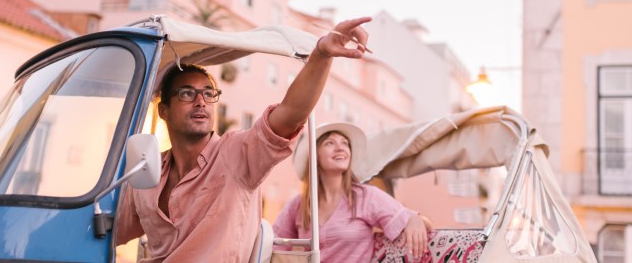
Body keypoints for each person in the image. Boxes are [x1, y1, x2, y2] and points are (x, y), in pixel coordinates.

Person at [115, 17, 373, 262]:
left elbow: (290, 115)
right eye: (186, 93)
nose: (201, 101)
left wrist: (322, 55)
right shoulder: (146, 174)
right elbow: (108, 231)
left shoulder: (236, 153)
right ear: (164, 110)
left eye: (208, 93)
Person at [273, 122, 434, 262]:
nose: (340, 148)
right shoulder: (299, 205)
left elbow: (417, 221)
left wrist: (415, 219)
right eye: (330, 143)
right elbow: (275, 244)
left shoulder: (366, 197)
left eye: (345, 143)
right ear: (316, 156)